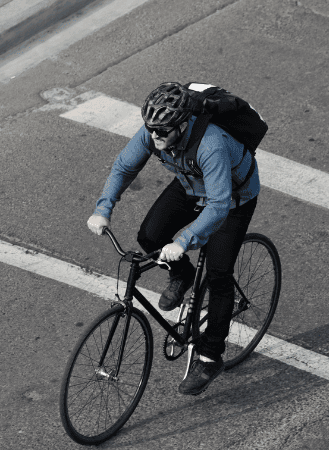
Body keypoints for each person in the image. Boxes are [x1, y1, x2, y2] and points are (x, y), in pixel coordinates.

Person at [86, 82, 260, 395]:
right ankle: (183, 276)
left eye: (163, 130)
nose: (155, 136)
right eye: (151, 128)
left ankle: (209, 357)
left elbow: (219, 205)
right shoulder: (155, 133)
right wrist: (103, 209)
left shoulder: (211, 144)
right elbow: (125, 166)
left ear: (181, 125)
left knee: (219, 274)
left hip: (233, 197)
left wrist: (184, 241)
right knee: (149, 236)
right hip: (191, 183)